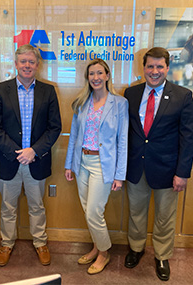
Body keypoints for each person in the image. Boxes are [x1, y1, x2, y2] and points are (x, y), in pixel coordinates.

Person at [124, 47, 193, 281]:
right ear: (143, 68)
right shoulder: (130, 94)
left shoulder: (182, 96)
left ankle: (162, 256)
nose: (154, 71)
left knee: (165, 216)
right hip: (136, 166)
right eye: (150, 66)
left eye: (159, 67)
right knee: (136, 213)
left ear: (167, 68)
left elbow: (188, 138)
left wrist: (182, 173)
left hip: (168, 169)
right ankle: (136, 249)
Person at [0, 44, 61, 267]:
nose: (27, 65)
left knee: (37, 205)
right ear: (16, 63)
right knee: (7, 207)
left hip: (36, 160)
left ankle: (40, 242)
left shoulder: (48, 91)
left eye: (31, 62)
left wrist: (34, 151)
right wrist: (16, 152)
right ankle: (7, 243)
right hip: (8, 160)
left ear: (37, 65)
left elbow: (54, 127)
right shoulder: (0, 90)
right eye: (23, 61)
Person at [64, 59, 128, 275]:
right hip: (82, 162)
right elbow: (74, 135)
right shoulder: (82, 102)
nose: (96, 78)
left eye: (100, 73)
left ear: (107, 76)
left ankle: (104, 253)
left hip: (103, 164)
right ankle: (96, 246)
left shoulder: (119, 104)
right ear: (87, 78)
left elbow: (123, 141)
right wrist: (69, 165)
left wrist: (120, 175)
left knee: (94, 211)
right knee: (88, 210)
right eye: (92, 74)